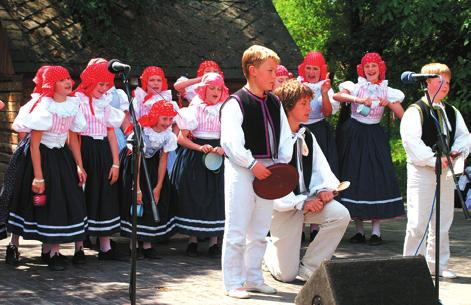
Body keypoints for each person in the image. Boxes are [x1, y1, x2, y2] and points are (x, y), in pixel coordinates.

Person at [220, 45, 293, 299]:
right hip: (243, 170)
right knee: (237, 227)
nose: (275, 76)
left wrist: (279, 165)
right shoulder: (235, 102)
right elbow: (230, 142)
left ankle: (253, 278)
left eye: (275, 71)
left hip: (270, 169)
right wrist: (252, 164)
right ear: (252, 71)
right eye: (270, 71)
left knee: (261, 230)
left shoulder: (274, 102)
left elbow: (285, 137)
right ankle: (233, 282)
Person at [264, 79, 350, 282]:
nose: (309, 108)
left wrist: (323, 190)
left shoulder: (307, 135)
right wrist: (301, 202)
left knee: (340, 215)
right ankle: (267, 248)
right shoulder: (273, 138)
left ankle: (310, 267)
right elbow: (272, 184)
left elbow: (320, 169)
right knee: (286, 276)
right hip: (284, 207)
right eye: (303, 104)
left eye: (309, 103)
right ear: (288, 106)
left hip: (307, 201)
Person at [6, 66, 88, 271]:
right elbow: (34, 145)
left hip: (61, 155)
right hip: (39, 156)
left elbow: (73, 139)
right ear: (52, 85)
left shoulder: (73, 104)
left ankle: (52, 251)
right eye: (62, 80)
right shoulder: (44, 106)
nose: (68, 82)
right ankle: (13, 245)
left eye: (68, 78)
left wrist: (79, 165)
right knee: (27, 199)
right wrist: (38, 176)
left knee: (60, 200)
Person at [401, 63, 470, 279]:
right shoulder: (416, 111)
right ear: (427, 82)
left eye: (448, 82)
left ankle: (438, 264)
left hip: (445, 172)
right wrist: (435, 160)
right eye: (441, 81)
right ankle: (411, 266)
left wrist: (456, 152)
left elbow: (464, 136)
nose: (446, 86)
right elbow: (411, 142)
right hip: (422, 172)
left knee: (443, 220)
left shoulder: (451, 110)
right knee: (418, 222)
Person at [333, 52, 405, 245]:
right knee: (353, 176)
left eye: (374, 66)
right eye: (367, 66)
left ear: (380, 68)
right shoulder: (356, 87)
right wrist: (357, 100)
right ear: (362, 69)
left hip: (374, 135)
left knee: (376, 177)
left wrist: (388, 103)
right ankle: (358, 231)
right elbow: (337, 96)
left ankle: (376, 231)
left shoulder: (387, 90)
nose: (371, 70)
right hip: (355, 134)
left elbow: (402, 116)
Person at [172, 72, 228, 258]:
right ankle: (193, 240)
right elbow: (180, 138)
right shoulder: (194, 108)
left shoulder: (225, 109)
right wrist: (199, 147)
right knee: (195, 196)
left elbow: (232, 137)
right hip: (196, 157)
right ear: (203, 89)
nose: (215, 92)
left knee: (217, 197)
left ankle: (214, 242)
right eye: (211, 88)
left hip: (218, 158)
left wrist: (224, 149)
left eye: (218, 89)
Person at [75, 59, 125, 260]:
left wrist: (115, 162)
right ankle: (79, 246)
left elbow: (111, 133)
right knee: (82, 195)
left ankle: (105, 246)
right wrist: (78, 163)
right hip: (84, 147)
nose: (103, 89)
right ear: (90, 81)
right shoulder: (77, 100)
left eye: (107, 85)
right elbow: (73, 134)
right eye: (100, 84)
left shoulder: (105, 103)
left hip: (103, 149)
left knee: (105, 193)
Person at [119, 101, 178, 258]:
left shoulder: (168, 135)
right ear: (156, 117)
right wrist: (137, 187)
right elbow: (136, 161)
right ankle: (133, 245)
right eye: (164, 119)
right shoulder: (141, 132)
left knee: (153, 202)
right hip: (135, 165)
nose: (167, 123)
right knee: (137, 202)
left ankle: (147, 244)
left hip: (152, 166)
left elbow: (163, 160)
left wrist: (158, 187)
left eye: (170, 119)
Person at [298, 51, 340, 241]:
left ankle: (315, 226)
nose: (312, 72)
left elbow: (328, 112)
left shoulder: (326, 87)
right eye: (309, 68)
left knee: (318, 174)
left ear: (321, 70)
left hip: (319, 131)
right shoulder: (297, 84)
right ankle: (298, 224)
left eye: (315, 68)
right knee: (299, 174)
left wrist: (324, 93)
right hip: (298, 130)